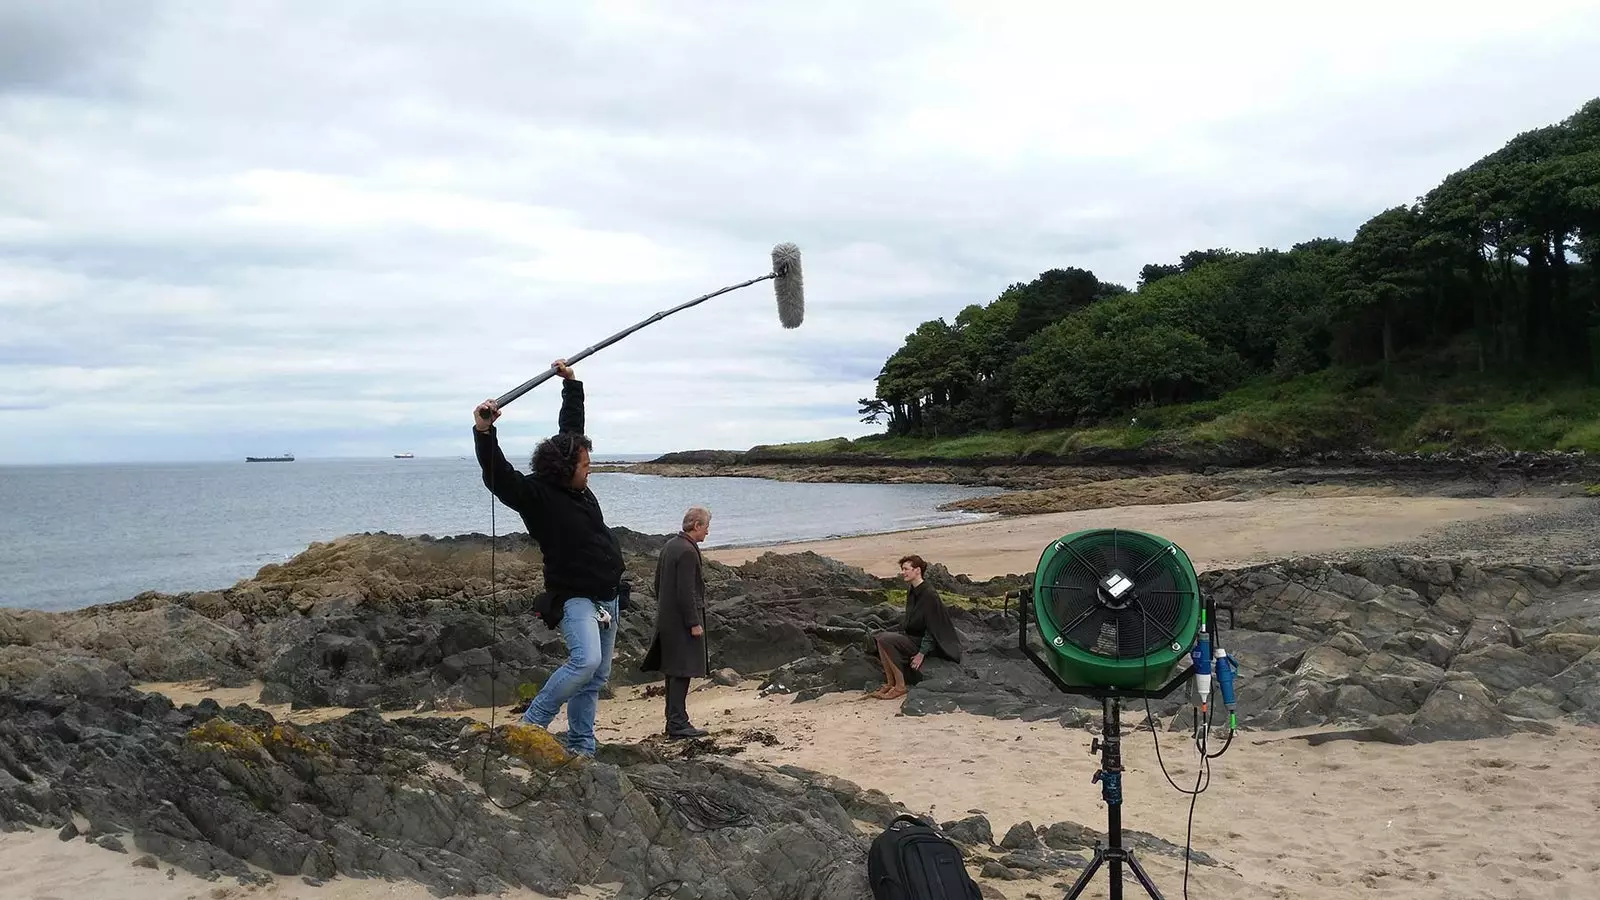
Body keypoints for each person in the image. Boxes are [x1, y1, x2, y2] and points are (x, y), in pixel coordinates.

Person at [472, 358, 625, 758]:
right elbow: (500, 478)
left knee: (596, 678)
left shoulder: (575, 482)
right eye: (587, 466)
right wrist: (485, 432)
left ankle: (581, 746)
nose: (590, 471)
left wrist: (570, 384)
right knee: (585, 661)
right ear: (566, 468)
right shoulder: (537, 497)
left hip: (609, 595)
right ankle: (532, 724)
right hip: (574, 596)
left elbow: (571, 432)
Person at [641, 506, 712, 738]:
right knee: (682, 670)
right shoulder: (687, 551)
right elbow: (686, 592)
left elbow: (657, 584)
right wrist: (693, 622)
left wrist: (665, 607)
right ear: (697, 525)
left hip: (667, 618)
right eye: (706, 527)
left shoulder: (670, 545)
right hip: (682, 621)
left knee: (674, 671)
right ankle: (678, 722)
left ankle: (674, 721)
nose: (707, 533)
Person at [867, 554, 963, 700]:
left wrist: (921, 653)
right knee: (879, 637)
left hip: (933, 643)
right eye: (902, 569)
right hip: (912, 636)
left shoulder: (929, 594)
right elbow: (911, 619)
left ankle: (900, 686)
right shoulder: (912, 590)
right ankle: (890, 683)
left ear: (917, 570)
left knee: (886, 639)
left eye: (906, 569)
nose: (903, 572)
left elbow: (933, 627)